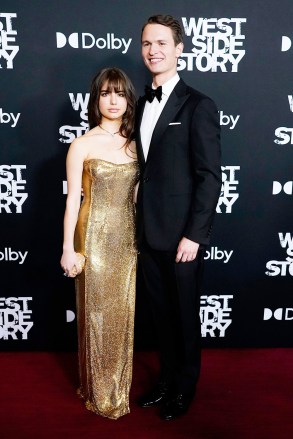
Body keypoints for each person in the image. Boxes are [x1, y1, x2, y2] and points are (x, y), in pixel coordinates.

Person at [135, 15, 222, 420]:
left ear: (179, 49)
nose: (154, 50)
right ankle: (167, 381)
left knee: (185, 316)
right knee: (160, 316)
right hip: (147, 231)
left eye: (162, 43)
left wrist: (195, 235)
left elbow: (209, 176)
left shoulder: (198, 105)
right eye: (147, 44)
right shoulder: (140, 104)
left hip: (183, 236)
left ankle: (185, 388)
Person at [60, 67, 139, 420]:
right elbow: (72, 201)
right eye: (106, 93)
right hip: (92, 236)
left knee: (123, 314)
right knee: (96, 314)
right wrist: (67, 248)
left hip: (130, 238)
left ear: (128, 100)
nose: (113, 100)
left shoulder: (138, 143)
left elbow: (139, 196)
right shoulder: (82, 144)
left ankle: (119, 389)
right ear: (96, 100)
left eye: (119, 94)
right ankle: (98, 391)